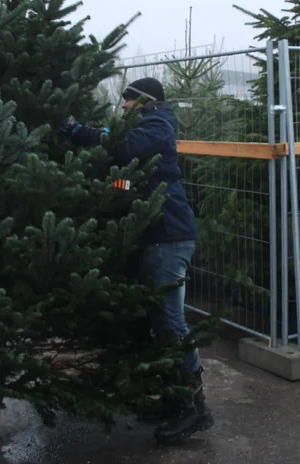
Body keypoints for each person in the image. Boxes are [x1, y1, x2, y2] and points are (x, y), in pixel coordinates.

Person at [60, 77, 214, 445]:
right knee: (160, 322)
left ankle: (196, 409)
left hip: (169, 236)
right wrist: (108, 187)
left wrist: (77, 130)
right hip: (154, 236)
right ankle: (174, 400)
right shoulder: (147, 125)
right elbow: (134, 183)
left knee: (171, 321)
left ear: (143, 101)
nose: (123, 107)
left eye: (128, 101)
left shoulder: (158, 124)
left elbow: (123, 147)